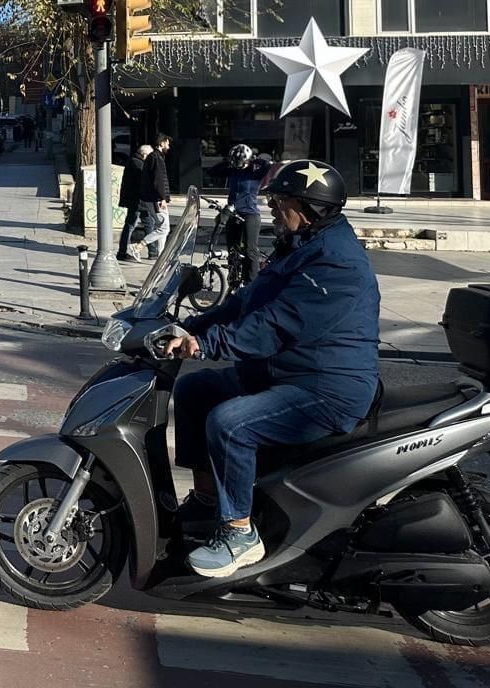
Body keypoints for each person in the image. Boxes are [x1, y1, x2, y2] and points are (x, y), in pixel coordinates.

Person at [163, 160, 380, 579]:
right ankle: (209, 501)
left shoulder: (335, 263)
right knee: (194, 393)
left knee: (231, 424)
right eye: (273, 201)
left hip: (327, 388)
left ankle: (240, 534)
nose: (273, 209)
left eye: (281, 202)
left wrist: (206, 344)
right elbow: (245, 303)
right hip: (288, 373)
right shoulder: (301, 245)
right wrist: (188, 326)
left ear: (311, 208)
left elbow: (274, 325)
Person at [217, 143, 272, 286]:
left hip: (250, 214)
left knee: (250, 250)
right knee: (232, 250)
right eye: (236, 163)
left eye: (241, 163)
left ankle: (251, 283)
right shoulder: (233, 171)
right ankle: (233, 281)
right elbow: (212, 171)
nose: (239, 166)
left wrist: (254, 159)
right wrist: (227, 161)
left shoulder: (255, 173)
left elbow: (268, 165)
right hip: (233, 214)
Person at [137, 134, 172, 258]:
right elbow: (158, 180)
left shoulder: (154, 157)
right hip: (156, 199)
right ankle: (138, 246)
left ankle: (161, 254)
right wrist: (162, 198)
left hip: (153, 198)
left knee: (162, 227)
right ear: (161, 143)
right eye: (167, 144)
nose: (169, 146)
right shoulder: (156, 158)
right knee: (164, 228)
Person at [116, 143, 150, 263]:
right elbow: (142, 182)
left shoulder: (135, 161)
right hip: (137, 200)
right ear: (144, 154)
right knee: (132, 224)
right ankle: (122, 251)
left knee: (148, 223)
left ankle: (153, 251)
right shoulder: (138, 163)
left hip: (137, 200)